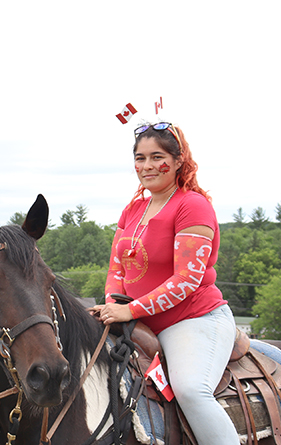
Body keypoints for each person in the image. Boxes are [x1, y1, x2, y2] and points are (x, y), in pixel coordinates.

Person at [90, 122, 238, 444]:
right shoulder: (133, 209)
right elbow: (117, 269)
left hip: (192, 320)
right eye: (140, 158)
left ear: (178, 160)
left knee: (192, 390)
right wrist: (113, 304)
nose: (147, 166)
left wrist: (130, 311)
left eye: (157, 157)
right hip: (140, 322)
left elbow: (186, 280)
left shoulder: (192, 205)